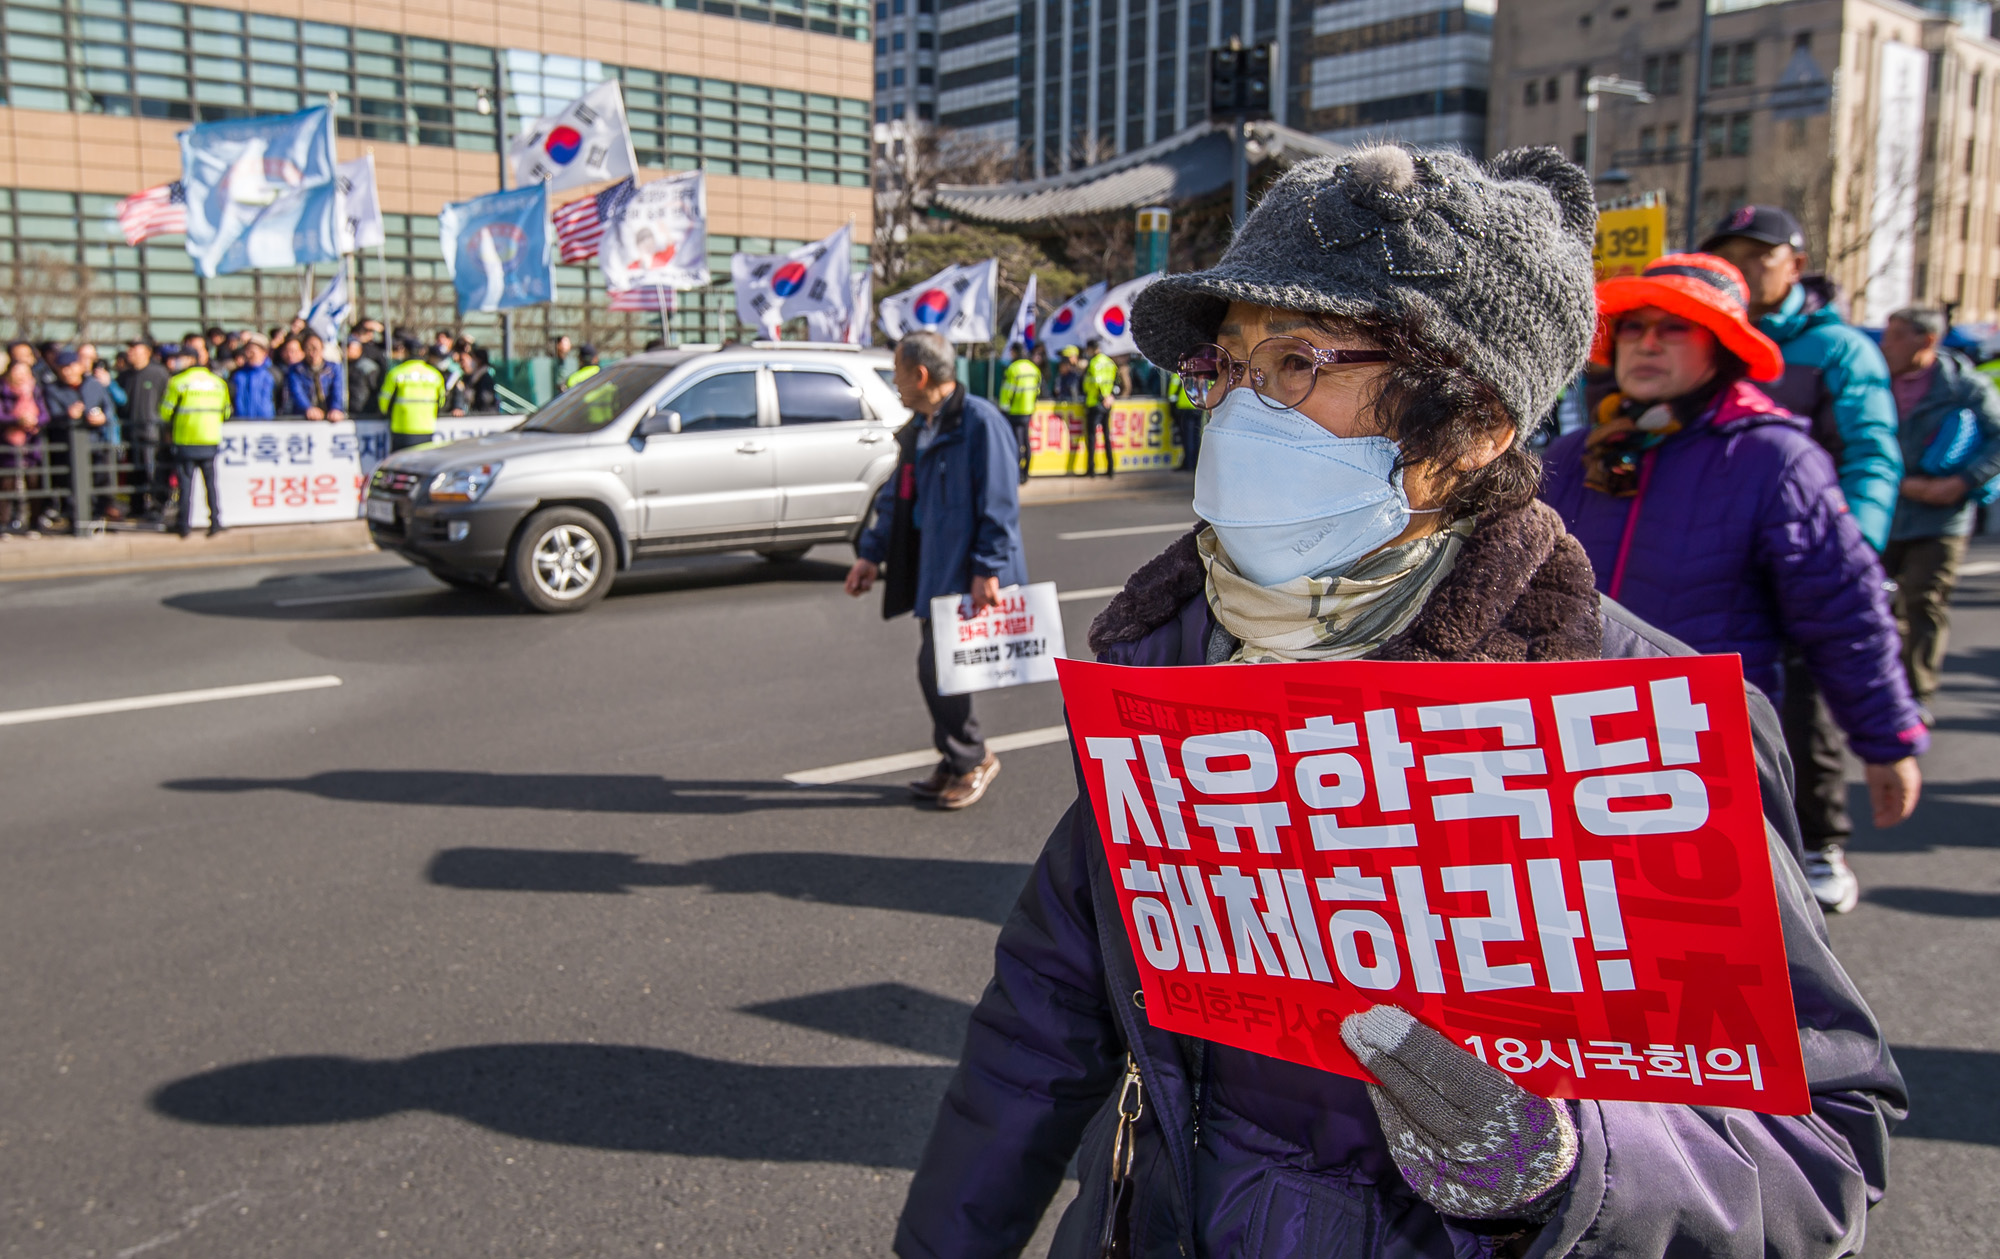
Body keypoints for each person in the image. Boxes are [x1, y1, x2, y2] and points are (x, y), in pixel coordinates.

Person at [894, 145, 1904, 1258]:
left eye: (1294, 361)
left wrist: (1573, 1170)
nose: (1235, 407)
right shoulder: (1177, 664)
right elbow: (1043, 1013)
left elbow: (1820, 1152)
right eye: (1226, 364)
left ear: (1471, 419)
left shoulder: (1619, 725)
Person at [1541, 253, 1926, 914]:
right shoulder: (1579, 455)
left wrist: (1886, 740)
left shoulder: (1774, 458)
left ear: (1721, 346)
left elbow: (1845, 612)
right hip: (1568, 754)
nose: (1648, 343)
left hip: (1708, 764)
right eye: (1634, 328)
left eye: (1674, 328)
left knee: (1701, 954)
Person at [1699, 206, 1906, 908]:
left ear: (1796, 260)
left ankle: (1819, 842)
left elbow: (1870, 455)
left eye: (1761, 254)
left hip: (1800, 548)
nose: (1748, 266)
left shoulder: (1838, 349)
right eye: (1732, 254)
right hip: (1720, 550)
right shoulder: (1698, 335)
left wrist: (1848, 552)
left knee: (1804, 706)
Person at [847, 330, 1026, 811]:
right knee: (940, 669)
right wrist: (871, 553)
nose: (895, 383)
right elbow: (896, 498)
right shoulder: (921, 428)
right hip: (930, 565)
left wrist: (987, 567)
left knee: (938, 669)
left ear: (920, 374)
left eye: (897, 373)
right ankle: (955, 758)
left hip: (965, 571)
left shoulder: (979, 423)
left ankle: (971, 759)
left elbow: (1000, 504)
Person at [1879, 306, 2000, 725]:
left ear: (1926, 340)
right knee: (1876, 603)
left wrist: (1962, 482)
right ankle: (1883, 691)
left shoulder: (1964, 386)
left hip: (1941, 518)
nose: (1885, 344)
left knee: (1924, 602)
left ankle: (1917, 694)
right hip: (1886, 512)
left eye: (1896, 335)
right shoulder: (1873, 381)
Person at [158, 344, 231, 538]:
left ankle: (184, 525)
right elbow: (227, 412)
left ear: (189, 359)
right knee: (211, 485)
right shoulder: (218, 382)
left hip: (186, 441)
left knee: (185, 485)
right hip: (209, 440)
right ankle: (215, 522)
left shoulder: (178, 382)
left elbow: (165, 412)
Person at [44, 348, 120, 520]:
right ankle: (76, 517)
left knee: (100, 477)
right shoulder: (53, 389)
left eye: (70, 366)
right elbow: (51, 416)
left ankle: (99, 514)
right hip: (68, 446)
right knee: (72, 483)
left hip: (96, 443)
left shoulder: (93, 383)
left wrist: (102, 417)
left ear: (79, 366)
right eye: (62, 367)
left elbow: (109, 408)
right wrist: (67, 416)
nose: (67, 370)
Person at [116, 340, 170, 521]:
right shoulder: (124, 377)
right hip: (130, 432)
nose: (130, 352)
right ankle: (136, 507)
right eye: (129, 348)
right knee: (134, 472)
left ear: (146, 352)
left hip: (153, 433)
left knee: (153, 471)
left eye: (134, 348)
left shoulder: (158, 373)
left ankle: (157, 506)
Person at [1, 358, 48, 532]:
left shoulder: (34, 391)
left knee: (34, 483)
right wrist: (17, 420)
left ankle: (34, 522)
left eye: (24, 373)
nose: (21, 377)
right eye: (17, 372)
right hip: (7, 446)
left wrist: (34, 420)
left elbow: (45, 415)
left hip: (31, 444)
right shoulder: (3, 391)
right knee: (6, 485)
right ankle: (4, 524)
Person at [377, 337, 447, 451]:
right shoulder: (435, 375)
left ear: (405, 351)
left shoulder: (396, 373)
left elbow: (384, 401)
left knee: (401, 464)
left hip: (402, 427)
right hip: (427, 427)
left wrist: (386, 414)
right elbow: (442, 402)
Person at [997, 341, 1040, 484]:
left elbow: (1006, 392)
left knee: (1015, 443)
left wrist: (1003, 409)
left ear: (1014, 352)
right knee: (1026, 442)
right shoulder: (1034, 369)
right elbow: (1038, 390)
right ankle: (1026, 473)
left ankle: (1015, 474)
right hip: (1028, 411)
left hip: (1014, 412)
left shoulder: (1013, 369)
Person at [286, 333, 346, 421]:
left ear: (322, 349)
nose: (312, 353)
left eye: (315, 348)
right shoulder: (296, 370)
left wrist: (336, 408)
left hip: (329, 416)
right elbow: (297, 392)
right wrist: (308, 408)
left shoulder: (334, 368)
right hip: (304, 417)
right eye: (308, 349)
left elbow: (337, 390)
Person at [1081, 337, 1118, 477]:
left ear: (1092, 349)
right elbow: (1116, 381)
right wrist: (1110, 397)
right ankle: (1111, 469)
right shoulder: (1110, 362)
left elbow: (1098, 382)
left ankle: (1091, 469)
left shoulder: (1094, 363)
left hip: (1095, 403)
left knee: (1091, 437)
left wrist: (1103, 397)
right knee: (1107, 436)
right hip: (1107, 403)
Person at [229, 333, 278, 419]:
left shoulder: (273, 374)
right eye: (247, 351)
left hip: (268, 424)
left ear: (264, 352)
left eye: (252, 351)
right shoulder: (237, 374)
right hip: (241, 424)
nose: (248, 355)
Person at [1166, 365, 1201, 471]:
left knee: (1187, 437)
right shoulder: (1201, 371)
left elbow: (1173, 389)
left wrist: (1172, 404)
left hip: (1184, 406)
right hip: (1198, 406)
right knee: (1196, 436)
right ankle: (1195, 463)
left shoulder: (1180, 372)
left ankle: (1188, 463)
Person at [451, 345, 498, 415]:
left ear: (478, 361)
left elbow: (485, 400)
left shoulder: (483, 378)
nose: (462, 364)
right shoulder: (471, 378)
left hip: (483, 418)